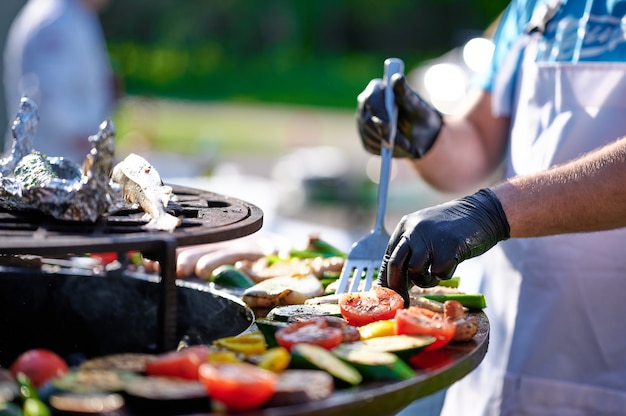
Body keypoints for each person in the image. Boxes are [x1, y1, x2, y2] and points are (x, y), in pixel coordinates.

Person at [357, 0, 626, 415]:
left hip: (609, 365)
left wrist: (492, 212)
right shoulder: (532, 6)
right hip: (497, 360)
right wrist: (426, 135)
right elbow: (479, 143)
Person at [3, 0, 117, 164]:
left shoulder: (77, 14)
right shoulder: (55, 19)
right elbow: (48, 96)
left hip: (66, 163)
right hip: (47, 165)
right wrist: (90, 144)